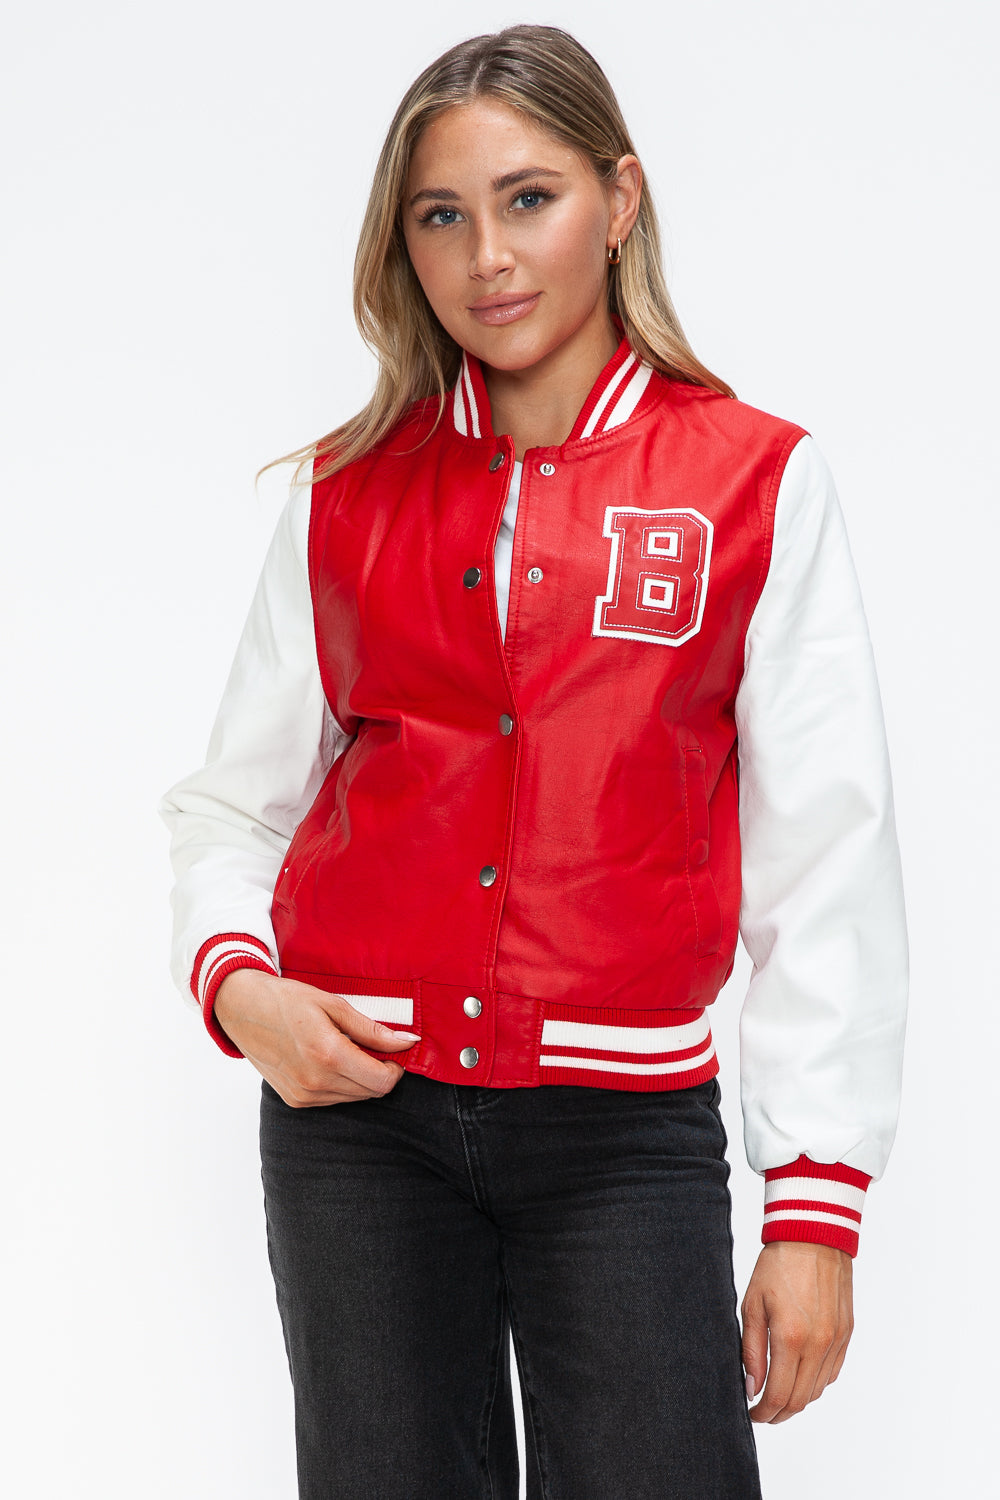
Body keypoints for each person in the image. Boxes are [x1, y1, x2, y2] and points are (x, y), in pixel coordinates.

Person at [160, 23, 908, 1500]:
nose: (488, 257)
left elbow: (829, 851)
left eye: (529, 199)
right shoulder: (343, 492)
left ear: (619, 200)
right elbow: (232, 806)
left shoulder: (753, 481)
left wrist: (815, 1207)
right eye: (442, 215)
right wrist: (244, 992)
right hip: (357, 1126)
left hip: (622, 1136)